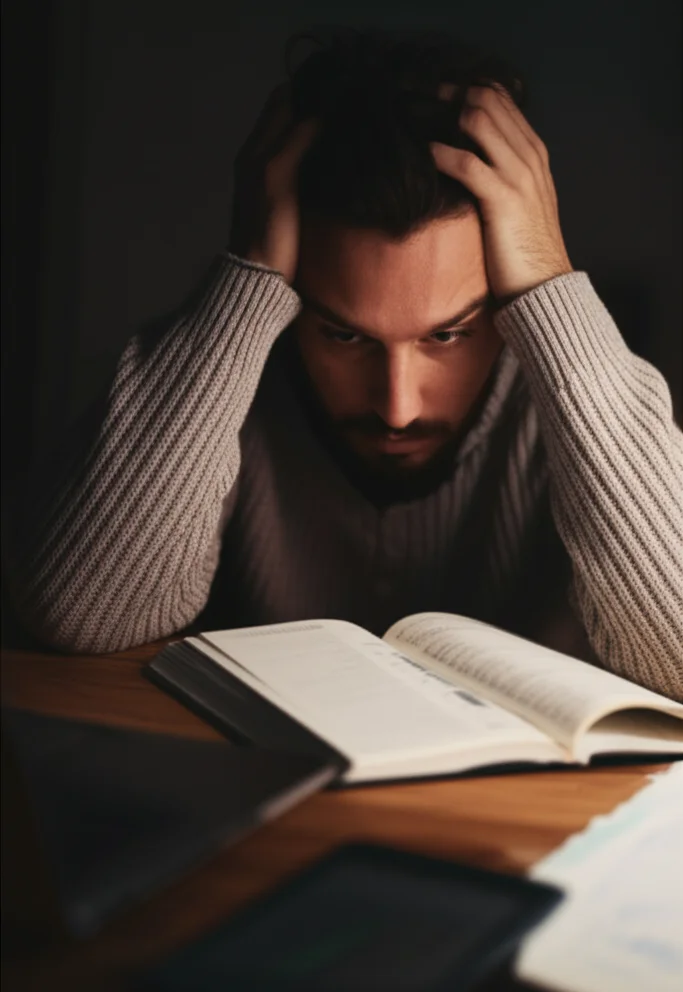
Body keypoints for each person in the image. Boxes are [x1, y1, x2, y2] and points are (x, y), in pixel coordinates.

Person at [6, 29, 682, 699]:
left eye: (448, 334)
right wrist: (244, 283)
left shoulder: (562, 404)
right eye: (343, 334)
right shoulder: (220, 386)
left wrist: (547, 286)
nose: (397, 406)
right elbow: (79, 615)